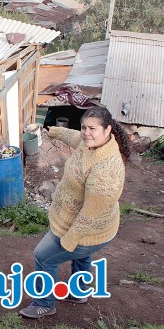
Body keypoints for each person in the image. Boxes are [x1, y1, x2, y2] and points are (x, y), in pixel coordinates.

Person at [19, 106, 132, 319]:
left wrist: (71, 239)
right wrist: (53, 131)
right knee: (82, 257)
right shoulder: (90, 144)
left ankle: (44, 304)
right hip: (87, 225)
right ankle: (78, 292)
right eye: (84, 127)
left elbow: (90, 214)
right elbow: (75, 138)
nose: (86, 132)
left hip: (87, 228)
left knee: (43, 256)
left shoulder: (106, 170)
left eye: (92, 128)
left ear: (108, 130)